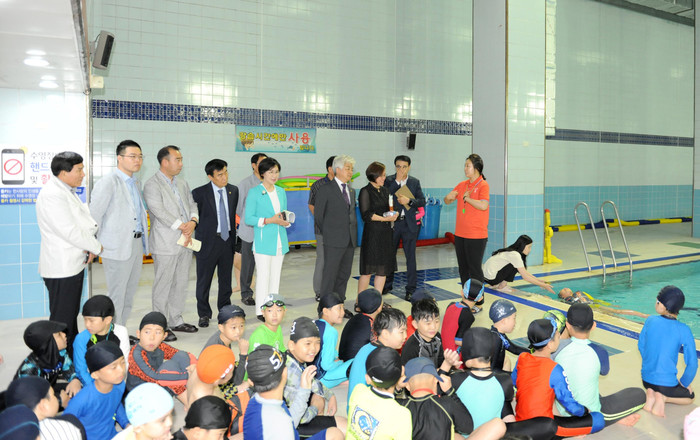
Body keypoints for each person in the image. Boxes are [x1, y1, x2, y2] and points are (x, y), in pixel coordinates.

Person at [37, 151, 102, 348]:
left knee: (70, 315)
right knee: (62, 319)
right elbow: (69, 231)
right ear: (64, 172)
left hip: (72, 264)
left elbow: (81, 224)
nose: (83, 174)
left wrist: (90, 246)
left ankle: (72, 354)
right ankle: (55, 358)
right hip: (61, 267)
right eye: (79, 170)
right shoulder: (52, 194)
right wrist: (96, 246)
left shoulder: (65, 190)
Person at [451, 327, 557, 440]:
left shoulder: (455, 379)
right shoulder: (504, 380)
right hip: (495, 434)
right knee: (548, 424)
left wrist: (450, 367)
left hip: (464, 435)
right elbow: (506, 409)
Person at [554, 303, 645, 427]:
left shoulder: (555, 348)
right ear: (593, 326)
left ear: (568, 325)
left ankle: (615, 417)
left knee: (579, 382)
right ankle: (613, 418)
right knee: (639, 394)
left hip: (560, 411)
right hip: (588, 417)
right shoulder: (599, 352)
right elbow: (604, 371)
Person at [143, 145, 199, 341]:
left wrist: (193, 221)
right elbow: (158, 210)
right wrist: (182, 226)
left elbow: (192, 204)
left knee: (180, 283)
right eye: (178, 160)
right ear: (165, 162)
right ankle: (159, 325)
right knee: (163, 285)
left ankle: (176, 319)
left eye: (181, 159)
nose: (181, 164)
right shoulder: (152, 184)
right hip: (165, 242)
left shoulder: (182, 183)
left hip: (186, 240)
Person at [511, 318, 604, 437]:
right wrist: (585, 410)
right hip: (544, 428)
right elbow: (571, 406)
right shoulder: (554, 369)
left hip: (521, 421)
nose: (559, 336)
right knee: (598, 419)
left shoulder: (522, 358)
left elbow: (514, 382)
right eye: (557, 335)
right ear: (550, 344)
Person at [90, 140, 148, 326]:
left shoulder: (135, 182)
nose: (137, 160)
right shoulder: (108, 182)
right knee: (117, 294)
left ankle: (120, 330)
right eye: (132, 156)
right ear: (119, 158)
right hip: (116, 246)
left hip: (136, 243)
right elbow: (94, 216)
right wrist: (91, 244)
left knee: (129, 292)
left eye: (140, 156)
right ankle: (112, 332)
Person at [243, 345, 343, 440]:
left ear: (251, 382)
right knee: (338, 433)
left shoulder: (255, 400)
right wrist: (315, 407)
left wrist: (304, 390)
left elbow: (290, 420)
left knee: (334, 433)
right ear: (285, 372)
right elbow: (287, 424)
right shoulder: (281, 422)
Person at [192, 158, 239, 328]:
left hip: (226, 242)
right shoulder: (199, 193)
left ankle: (225, 310)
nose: (224, 177)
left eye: (226, 172)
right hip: (207, 243)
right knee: (204, 281)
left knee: (225, 280)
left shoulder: (233, 190)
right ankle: (204, 314)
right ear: (210, 177)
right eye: (220, 174)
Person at [638, 285, 697, 417]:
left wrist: (650, 363)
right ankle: (664, 398)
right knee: (691, 397)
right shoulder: (684, 329)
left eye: (658, 301)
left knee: (653, 384)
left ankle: (651, 393)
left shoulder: (650, 320)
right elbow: (692, 364)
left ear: (665, 306)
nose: (656, 303)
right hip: (667, 385)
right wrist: (684, 383)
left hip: (645, 380)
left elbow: (641, 346)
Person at [284, 317, 347, 437]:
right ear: (292, 345)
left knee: (319, 394)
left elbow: (314, 382)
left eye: (317, 342)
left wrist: (331, 395)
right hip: (290, 426)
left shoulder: (292, 358)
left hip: (294, 413)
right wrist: (315, 408)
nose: (313, 348)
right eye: (307, 343)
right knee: (344, 427)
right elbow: (301, 418)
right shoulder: (291, 373)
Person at [244, 157, 291, 317]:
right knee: (263, 277)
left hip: (280, 240)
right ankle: (260, 311)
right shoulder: (254, 192)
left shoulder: (281, 191)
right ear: (262, 173)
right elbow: (249, 218)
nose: (274, 175)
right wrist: (269, 220)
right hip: (263, 242)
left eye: (276, 172)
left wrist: (286, 221)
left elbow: (282, 214)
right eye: (271, 172)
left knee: (275, 278)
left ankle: (273, 310)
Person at [313, 154, 358, 318]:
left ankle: (339, 307)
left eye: (351, 169)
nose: (350, 172)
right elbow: (319, 216)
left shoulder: (351, 191)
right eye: (347, 168)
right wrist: (331, 232)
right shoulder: (325, 189)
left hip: (349, 239)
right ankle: (324, 308)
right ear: (337, 169)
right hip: (333, 239)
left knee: (343, 276)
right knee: (330, 276)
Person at [127, 312, 195, 405]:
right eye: (147, 332)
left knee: (181, 356)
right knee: (170, 368)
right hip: (141, 396)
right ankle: (190, 404)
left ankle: (192, 393)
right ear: (138, 334)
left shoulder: (160, 346)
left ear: (164, 336)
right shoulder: (136, 354)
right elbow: (155, 378)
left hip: (157, 388)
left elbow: (182, 355)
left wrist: (195, 367)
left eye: (158, 333)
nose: (152, 337)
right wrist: (188, 376)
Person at [65, 342, 129, 439]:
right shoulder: (82, 399)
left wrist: (126, 424)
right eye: (114, 367)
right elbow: (63, 426)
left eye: (123, 363)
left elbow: (116, 404)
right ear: (95, 374)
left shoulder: (119, 385)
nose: (121, 370)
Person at [383, 155, 426, 301]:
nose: (401, 170)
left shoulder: (414, 182)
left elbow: (422, 201)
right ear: (395, 167)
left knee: (410, 257)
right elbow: (385, 197)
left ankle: (411, 289)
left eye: (404, 167)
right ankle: (387, 285)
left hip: (409, 224)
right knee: (390, 255)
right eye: (398, 166)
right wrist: (397, 182)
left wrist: (409, 201)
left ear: (409, 167)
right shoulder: (388, 181)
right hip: (393, 223)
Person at [346, 346, 412, 440]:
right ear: (402, 371)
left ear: (368, 379)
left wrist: (396, 387)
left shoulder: (358, 391)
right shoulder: (401, 415)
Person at [15, 320, 82, 409]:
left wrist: (75, 380)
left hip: (48, 389)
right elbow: (29, 398)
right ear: (48, 344)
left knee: (79, 391)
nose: (64, 334)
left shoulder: (61, 353)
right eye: (59, 334)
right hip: (27, 402)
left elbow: (69, 371)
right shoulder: (30, 368)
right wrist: (59, 400)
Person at [443, 153, 489, 285]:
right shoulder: (462, 185)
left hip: (476, 235)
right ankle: (467, 294)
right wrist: (448, 197)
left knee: (475, 269)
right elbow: (447, 201)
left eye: (468, 166)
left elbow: (483, 205)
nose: (465, 168)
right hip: (460, 234)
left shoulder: (483, 185)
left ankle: (478, 297)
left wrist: (467, 198)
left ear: (476, 168)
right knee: (463, 269)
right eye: (465, 166)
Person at [347, 308, 407, 406]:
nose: (405, 336)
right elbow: (382, 394)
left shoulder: (367, 347)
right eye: (401, 332)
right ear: (385, 333)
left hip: (353, 406)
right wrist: (396, 388)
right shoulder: (383, 358)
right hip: (366, 409)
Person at [357, 161, 398, 295]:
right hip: (372, 235)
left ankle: (377, 299)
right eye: (381, 175)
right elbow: (366, 214)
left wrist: (394, 214)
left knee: (382, 270)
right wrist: (384, 219)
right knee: (367, 271)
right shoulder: (365, 191)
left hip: (385, 234)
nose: (383, 178)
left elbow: (390, 208)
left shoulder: (385, 190)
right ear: (373, 175)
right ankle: (360, 300)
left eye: (384, 175)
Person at [73, 295, 130, 385]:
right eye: (85, 320)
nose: (87, 324)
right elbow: (81, 371)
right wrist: (100, 389)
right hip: (92, 385)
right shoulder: (81, 339)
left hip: (117, 383)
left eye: (91, 320)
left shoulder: (121, 332)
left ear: (108, 320)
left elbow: (125, 364)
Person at [4, 376, 85, 440]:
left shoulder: (9, 434)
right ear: (43, 405)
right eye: (53, 395)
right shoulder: (70, 424)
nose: (56, 397)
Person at [236, 153, 268, 307]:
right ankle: (246, 293)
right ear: (253, 166)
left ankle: (265, 292)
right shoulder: (245, 184)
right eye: (261, 163)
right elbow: (238, 208)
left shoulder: (270, 183)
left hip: (267, 231)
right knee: (248, 265)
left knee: (265, 264)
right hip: (249, 231)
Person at [483, 235, 555, 294]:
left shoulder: (511, 251)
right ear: (523, 246)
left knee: (516, 266)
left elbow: (524, 272)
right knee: (514, 266)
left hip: (486, 278)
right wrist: (543, 285)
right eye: (529, 247)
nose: (530, 250)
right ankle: (502, 286)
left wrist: (538, 280)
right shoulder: (515, 255)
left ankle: (498, 285)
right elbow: (525, 276)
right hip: (492, 279)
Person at [201, 304, 249, 393]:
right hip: (210, 390)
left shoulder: (223, 337)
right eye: (233, 327)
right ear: (221, 327)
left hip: (216, 380)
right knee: (247, 387)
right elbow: (237, 381)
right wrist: (243, 353)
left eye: (241, 326)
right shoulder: (218, 349)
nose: (238, 331)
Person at [308, 156, 335, 301]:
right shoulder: (318, 185)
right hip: (322, 230)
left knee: (336, 260)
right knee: (322, 259)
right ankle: (319, 291)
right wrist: (322, 221)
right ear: (330, 169)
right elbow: (311, 205)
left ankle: (332, 290)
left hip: (339, 230)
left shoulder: (343, 185)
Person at [313, 292, 353, 388]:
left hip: (310, 375)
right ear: (326, 311)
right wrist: (339, 362)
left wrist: (335, 358)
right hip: (323, 379)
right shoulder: (331, 331)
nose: (343, 312)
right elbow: (326, 365)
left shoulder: (315, 323)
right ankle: (341, 380)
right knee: (358, 361)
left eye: (343, 308)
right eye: (339, 308)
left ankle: (340, 379)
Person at [338, 288, 383, 362]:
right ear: (378, 308)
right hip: (354, 365)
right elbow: (378, 350)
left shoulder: (354, 318)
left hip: (343, 361)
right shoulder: (371, 325)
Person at [441, 278, 481, 359]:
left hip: (443, 349)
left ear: (462, 292)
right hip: (454, 356)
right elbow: (458, 341)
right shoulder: (468, 315)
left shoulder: (451, 305)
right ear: (480, 298)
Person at [401, 298, 446, 369]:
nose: (434, 327)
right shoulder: (411, 348)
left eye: (436, 321)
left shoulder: (437, 337)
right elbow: (407, 373)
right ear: (415, 324)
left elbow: (440, 362)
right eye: (428, 323)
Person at [488, 299, 528, 371]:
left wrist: (532, 352)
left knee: (506, 360)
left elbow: (514, 349)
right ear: (504, 321)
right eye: (514, 318)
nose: (515, 322)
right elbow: (492, 369)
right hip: (492, 374)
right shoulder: (496, 340)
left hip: (495, 370)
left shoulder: (499, 334)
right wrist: (509, 375)